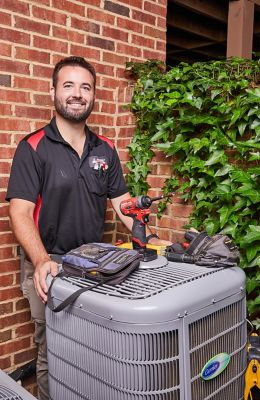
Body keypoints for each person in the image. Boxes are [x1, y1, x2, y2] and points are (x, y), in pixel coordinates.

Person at [6, 56, 170, 400]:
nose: (77, 94)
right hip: (48, 263)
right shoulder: (33, 147)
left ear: (94, 95)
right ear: (53, 91)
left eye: (85, 87)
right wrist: (39, 261)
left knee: (89, 345)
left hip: (93, 265)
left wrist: (151, 240)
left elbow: (123, 205)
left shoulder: (105, 150)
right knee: (52, 349)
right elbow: (19, 213)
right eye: (68, 85)